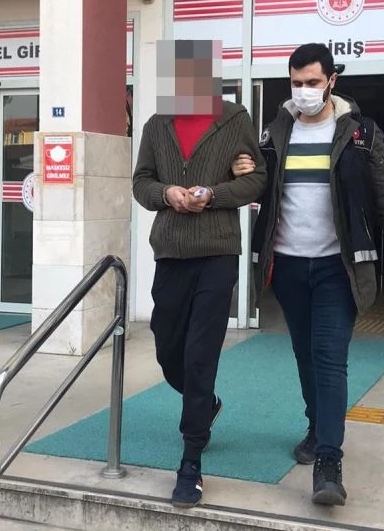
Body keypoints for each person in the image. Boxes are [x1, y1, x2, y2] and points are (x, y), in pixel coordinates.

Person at [232, 43, 384, 506]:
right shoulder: (275, 132)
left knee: (330, 357)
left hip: (339, 265)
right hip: (288, 265)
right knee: (305, 354)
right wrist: (243, 170)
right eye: (296, 83)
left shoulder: (361, 134)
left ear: (332, 81)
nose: (304, 91)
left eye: (313, 82)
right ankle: (317, 428)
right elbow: (260, 188)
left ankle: (329, 463)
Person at [132, 39, 267, 509]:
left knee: (199, 355)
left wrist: (213, 194)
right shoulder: (157, 124)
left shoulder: (235, 119)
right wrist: (166, 193)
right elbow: (141, 182)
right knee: (168, 348)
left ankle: (191, 461)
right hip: (171, 251)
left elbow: (256, 178)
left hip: (217, 252)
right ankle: (205, 404)